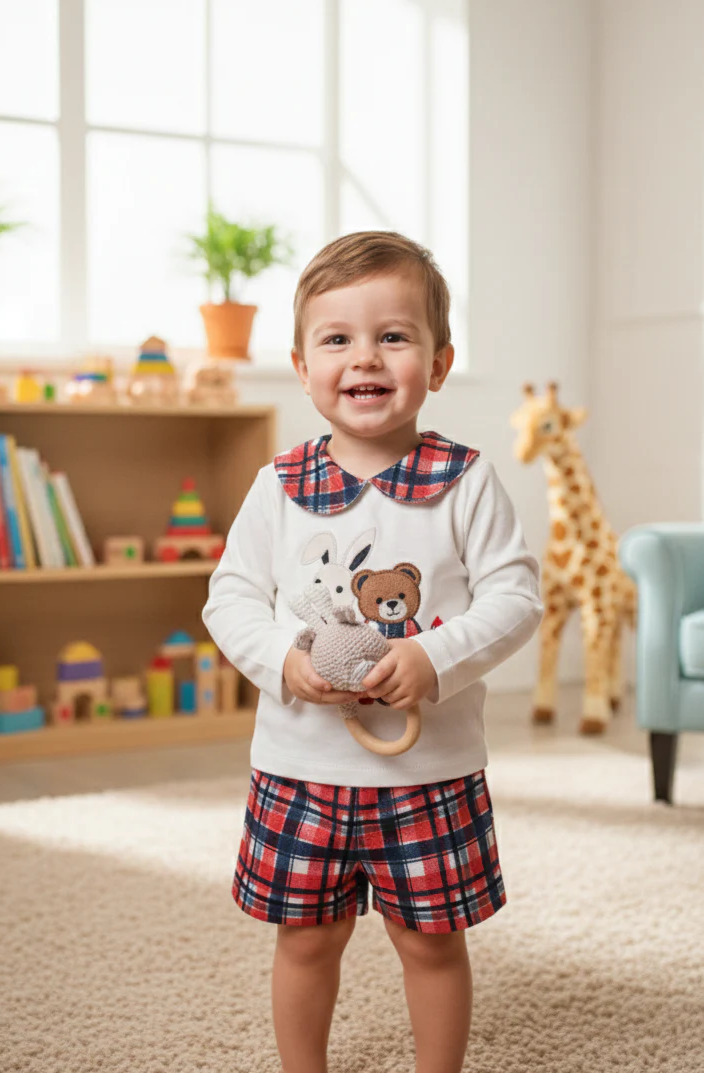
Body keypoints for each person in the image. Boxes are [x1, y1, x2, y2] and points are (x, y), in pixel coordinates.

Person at [202, 231, 544, 1073]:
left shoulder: (463, 481)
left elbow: (516, 598)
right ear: (300, 363)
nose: (366, 357)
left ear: (438, 361)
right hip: (299, 768)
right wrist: (284, 657)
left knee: (430, 946)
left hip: (428, 775)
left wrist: (436, 659)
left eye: (393, 336)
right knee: (306, 941)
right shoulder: (280, 484)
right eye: (338, 339)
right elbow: (231, 597)